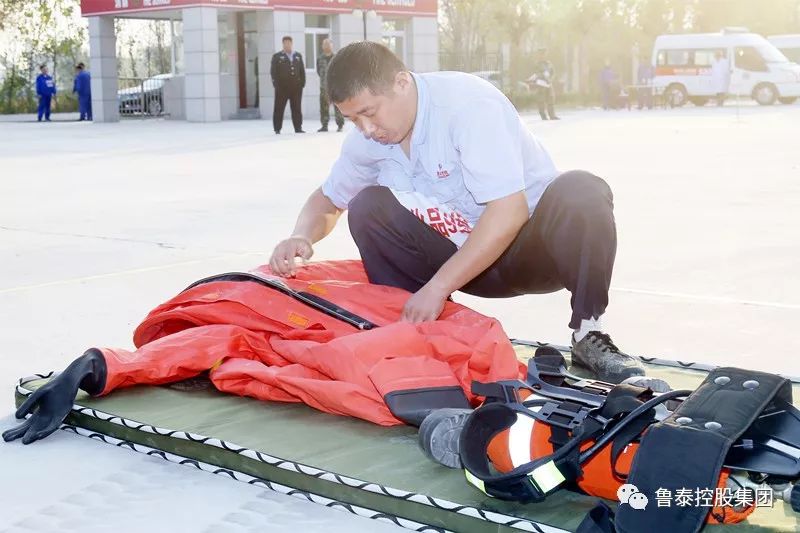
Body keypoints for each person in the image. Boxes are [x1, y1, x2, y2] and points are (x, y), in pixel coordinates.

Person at [268, 42, 645, 384]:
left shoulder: (467, 105)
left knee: (582, 189)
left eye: (369, 113)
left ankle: (588, 333)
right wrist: (301, 234)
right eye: (354, 120)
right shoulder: (370, 140)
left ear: (401, 82)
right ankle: (415, 336)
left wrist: (437, 288)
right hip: (455, 257)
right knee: (368, 206)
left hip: (526, 253)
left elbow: (509, 212)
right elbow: (329, 199)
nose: (367, 129)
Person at [270, 36, 306, 134]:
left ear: (291, 43)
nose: (287, 45)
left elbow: (302, 71)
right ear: (283, 44)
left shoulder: (297, 56)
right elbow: (273, 72)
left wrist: (302, 83)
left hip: (296, 87)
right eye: (285, 43)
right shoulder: (277, 56)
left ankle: (298, 128)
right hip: (282, 87)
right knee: (279, 108)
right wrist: (276, 85)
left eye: (289, 43)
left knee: (296, 108)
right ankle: (277, 128)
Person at [316, 38, 345, 133]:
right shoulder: (320, 58)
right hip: (324, 87)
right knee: (323, 107)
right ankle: (324, 125)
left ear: (332, 45)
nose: (326, 46)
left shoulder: (337, 57)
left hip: (335, 87)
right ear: (322, 46)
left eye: (328, 44)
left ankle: (340, 125)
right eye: (325, 44)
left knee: (338, 106)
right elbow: (319, 72)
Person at [529, 47, 559, 120]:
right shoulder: (537, 64)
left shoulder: (549, 63)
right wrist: (542, 76)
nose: (543, 55)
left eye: (544, 54)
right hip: (541, 84)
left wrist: (550, 79)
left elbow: (553, 72)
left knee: (551, 99)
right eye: (541, 54)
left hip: (549, 83)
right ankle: (543, 116)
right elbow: (535, 74)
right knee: (541, 101)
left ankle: (552, 115)